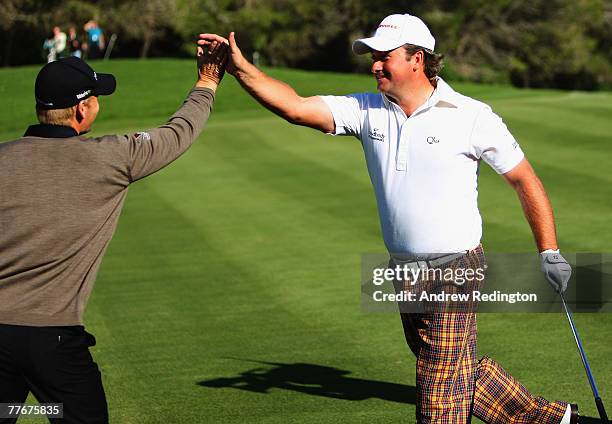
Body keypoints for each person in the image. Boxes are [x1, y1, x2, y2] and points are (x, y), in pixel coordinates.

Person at [200, 12, 577, 424]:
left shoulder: (471, 116)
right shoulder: (366, 109)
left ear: (418, 58)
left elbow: (524, 180)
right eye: (372, 56)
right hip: (403, 270)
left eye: (385, 55)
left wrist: (549, 251)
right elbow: (295, 107)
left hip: (456, 268)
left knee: (440, 396)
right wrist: (240, 68)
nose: (375, 64)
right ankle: (551, 419)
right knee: (448, 363)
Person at [0, 36, 228, 423]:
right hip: (54, 341)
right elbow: (178, 133)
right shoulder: (112, 158)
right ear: (81, 110)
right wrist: (207, 80)